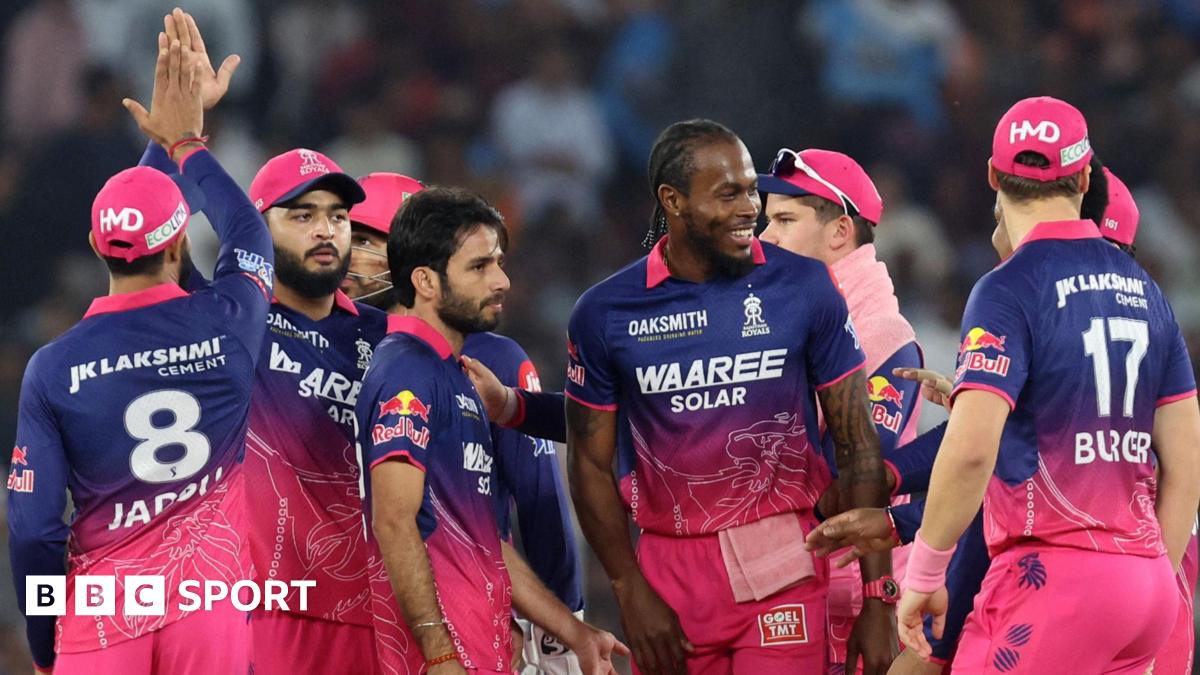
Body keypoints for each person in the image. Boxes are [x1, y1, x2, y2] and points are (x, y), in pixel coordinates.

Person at [565, 118, 895, 675]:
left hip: (784, 557)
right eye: (730, 194)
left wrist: (878, 597)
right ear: (672, 201)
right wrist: (628, 589)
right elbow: (590, 463)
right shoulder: (606, 313)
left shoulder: (804, 288)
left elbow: (857, 442)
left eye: (751, 190)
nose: (751, 210)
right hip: (669, 574)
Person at [896, 96, 1200, 673]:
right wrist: (1144, 570)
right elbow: (1187, 459)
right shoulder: (1145, 287)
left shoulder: (1007, 288)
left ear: (991, 176)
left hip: (1055, 585)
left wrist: (926, 573)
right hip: (1146, 586)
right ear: (1084, 177)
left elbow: (970, 452)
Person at [7, 32, 272, 674]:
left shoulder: (53, 367)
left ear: (96, 249)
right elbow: (248, 232)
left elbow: (34, 530)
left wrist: (45, 648)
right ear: (180, 245)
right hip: (209, 603)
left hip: (103, 615)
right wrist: (185, 140)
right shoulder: (231, 323)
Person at [356, 187, 626, 674]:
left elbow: (482, 539)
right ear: (426, 281)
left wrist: (575, 632)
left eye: (499, 262)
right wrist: (438, 653)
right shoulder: (405, 371)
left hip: (485, 646)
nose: (501, 280)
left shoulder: (458, 375)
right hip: (442, 655)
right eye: (479, 267)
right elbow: (393, 522)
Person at [756, 148, 921, 672]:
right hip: (785, 584)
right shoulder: (794, 317)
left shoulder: (882, 336)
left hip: (843, 598)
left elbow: (857, 481)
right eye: (765, 221)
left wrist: (877, 599)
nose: (765, 238)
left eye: (784, 220)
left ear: (839, 231)